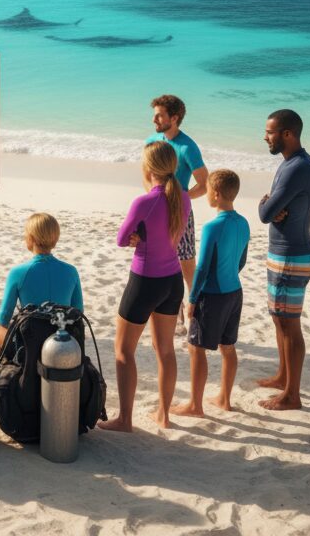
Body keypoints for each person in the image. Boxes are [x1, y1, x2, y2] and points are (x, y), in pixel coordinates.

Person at [100, 140, 191, 433]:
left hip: (145, 281)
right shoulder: (183, 197)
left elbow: (120, 238)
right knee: (165, 349)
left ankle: (125, 419)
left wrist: (137, 236)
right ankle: (164, 415)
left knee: (124, 350)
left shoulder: (144, 202)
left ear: (149, 168)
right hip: (172, 281)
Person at [173, 169, 250, 417]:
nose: (205, 193)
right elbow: (241, 261)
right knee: (228, 346)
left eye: (207, 190)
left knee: (196, 348)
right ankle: (224, 399)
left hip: (213, 295)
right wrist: (228, 275)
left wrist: (192, 299)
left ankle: (195, 405)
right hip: (234, 292)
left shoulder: (212, 227)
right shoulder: (244, 223)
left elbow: (203, 267)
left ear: (215, 194)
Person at [257, 109, 310, 411]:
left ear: (287, 134)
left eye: (269, 132)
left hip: (293, 254)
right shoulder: (291, 164)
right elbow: (271, 210)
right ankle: (283, 376)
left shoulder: (298, 168)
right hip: (283, 253)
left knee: (289, 324)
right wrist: (269, 203)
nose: (264, 137)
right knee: (278, 318)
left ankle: (292, 395)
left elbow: (266, 214)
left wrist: (265, 203)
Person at [0, 212, 83, 382]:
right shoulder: (71, 271)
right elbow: (78, 314)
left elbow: (3, 318)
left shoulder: (18, 272)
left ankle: (7, 368)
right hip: (61, 344)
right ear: (55, 239)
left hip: (28, 343)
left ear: (30, 238)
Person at [146, 95, 208, 322]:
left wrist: (181, 199)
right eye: (154, 114)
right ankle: (171, 310)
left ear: (174, 118)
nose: (154, 119)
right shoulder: (152, 141)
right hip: (156, 209)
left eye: (159, 115)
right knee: (159, 261)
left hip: (180, 213)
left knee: (186, 264)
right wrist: (154, 198)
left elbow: (204, 184)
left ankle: (194, 313)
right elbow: (146, 175)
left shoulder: (187, 147)